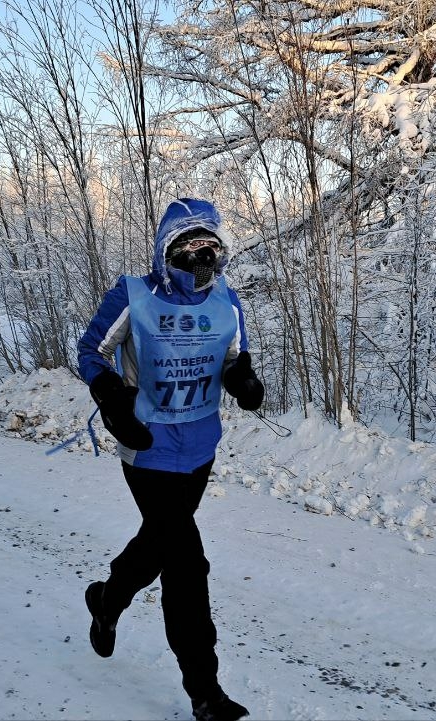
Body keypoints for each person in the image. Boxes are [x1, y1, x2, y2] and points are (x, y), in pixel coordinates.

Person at [76, 198, 264, 721]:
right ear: (167, 252)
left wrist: (242, 380)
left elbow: (232, 357)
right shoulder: (132, 295)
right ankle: (205, 693)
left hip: (201, 447)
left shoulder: (225, 300)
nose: (202, 261)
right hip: (147, 447)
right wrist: (112, 398)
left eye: (211, 250)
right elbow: (90, 351)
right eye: (190, 249)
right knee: (186, 561)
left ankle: (107, 599)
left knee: (159, 543)